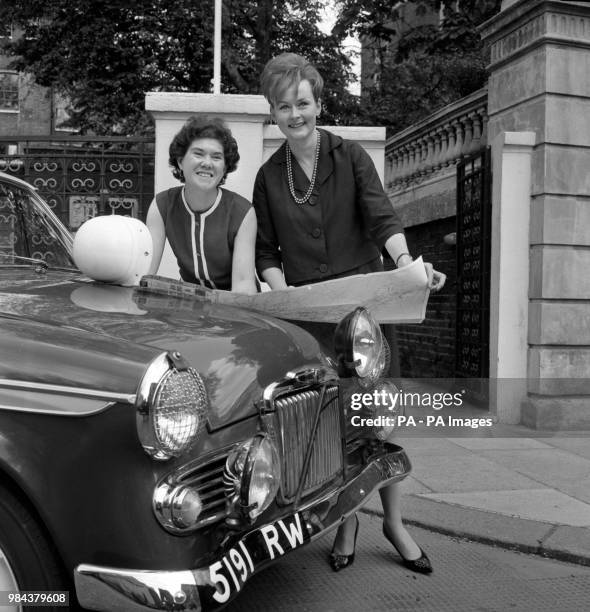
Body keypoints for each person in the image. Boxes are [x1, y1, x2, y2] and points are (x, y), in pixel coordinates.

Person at [253, 53, 446, 574]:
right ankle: (348, 521)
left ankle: (395, 522)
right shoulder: (269, 176)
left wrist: (407, 265)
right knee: (334, 428)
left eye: (303, 103)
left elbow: (383, 218)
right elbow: (266, 252)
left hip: (365, 320)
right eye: (284, 105)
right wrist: (283, 296)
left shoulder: (351, 156)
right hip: (314, 321)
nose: (295, 114)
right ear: (273, 112)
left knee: (377, 421)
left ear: (317, 104)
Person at [146, 116, 257, 294]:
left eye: (216, 157)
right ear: (180, 161)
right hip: (189, 303)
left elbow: (243, 284)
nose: (207, 163)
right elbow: (145, 271)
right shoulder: (161, 205)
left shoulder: (242, 212)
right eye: (198, 154)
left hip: (233, 305)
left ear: (225, 168)